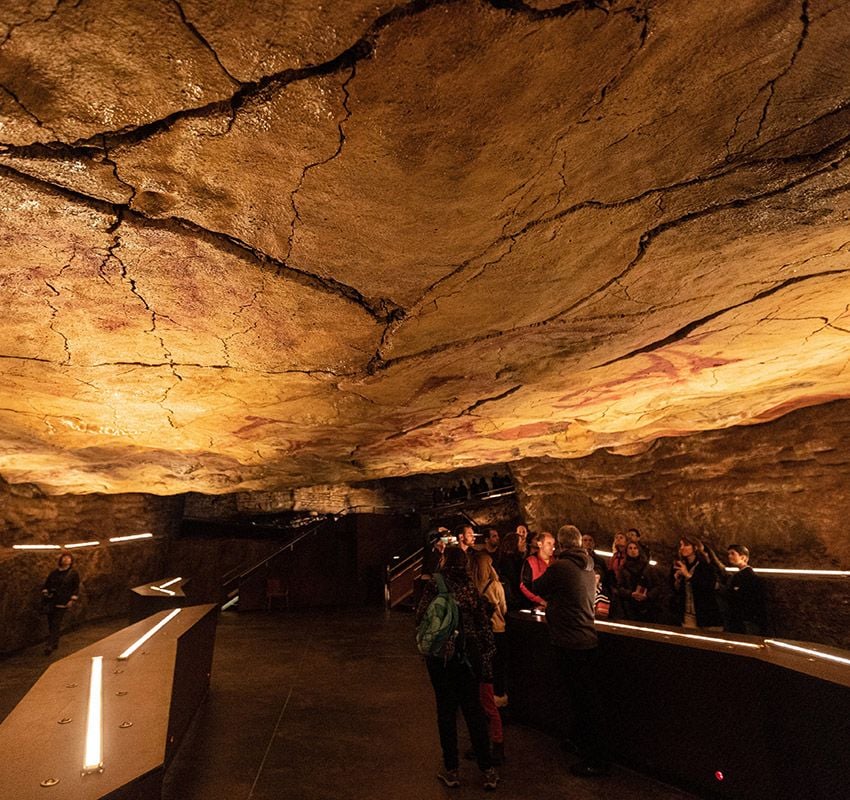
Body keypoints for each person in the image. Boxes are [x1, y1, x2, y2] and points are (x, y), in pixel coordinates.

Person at [416, 547, 499, 790]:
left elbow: (421, 616)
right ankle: (488, 770)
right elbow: (484, 624)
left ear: (444, 561)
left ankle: (451, 770)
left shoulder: (434, 584)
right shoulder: (470, 587)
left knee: (446, 711)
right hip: (467, 656)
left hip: (441, 657)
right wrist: (487, 654)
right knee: (473, 710)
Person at [532, 524, 608, 777]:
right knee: (585, 698)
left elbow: (537, 586)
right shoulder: (587, 565)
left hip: (569, 641)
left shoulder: (561, 567)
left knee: (585, 701)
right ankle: (580, 742)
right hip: (587, 638)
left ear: (561, 546)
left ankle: (596, 758)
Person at [471, 550, 508, 763]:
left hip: (481, 643)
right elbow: (503, 607)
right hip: (498, 633)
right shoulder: (497, 586)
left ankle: (490, 744)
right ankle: (494, 743)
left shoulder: (472, 589)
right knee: (491, 689)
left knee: (482, 695)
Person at [670, 536, 723, 629]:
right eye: (681, 545)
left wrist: (688, 575)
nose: (682, 548)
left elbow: (708, 587)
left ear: (695, 547)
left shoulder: (705, 567)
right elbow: (678, 590)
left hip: (706, 615)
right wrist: (677, 581)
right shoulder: (682, 565)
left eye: (686, 545)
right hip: (688, 614)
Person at [723, 544, 768, 635]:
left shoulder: (748, 577)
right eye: (728, 554)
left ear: (743, 557)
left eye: (733, 553)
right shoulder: (742, 575)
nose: (729, 556)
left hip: (744, 621)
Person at [42, 552, 80, 655]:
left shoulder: (73, 574)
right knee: (51, 622)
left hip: (63, 600)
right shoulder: (54, 573)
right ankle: (54, 642)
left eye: (69, 558)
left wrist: (72, 599)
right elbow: (47, 584)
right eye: (64, 558)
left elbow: (75, 587)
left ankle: (50, 644)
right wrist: (46, 592)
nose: (66, 560)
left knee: (56, 622)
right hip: (52, 600)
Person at [614, 541, 660, 622]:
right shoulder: (623, 568)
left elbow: (657, 585)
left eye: (635, 548)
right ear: (626, 551)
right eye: (630, 548)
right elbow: (619, 586)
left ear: (639, 550)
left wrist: (648, 596)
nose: (633, 550)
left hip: (647, 606)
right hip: (629, 606)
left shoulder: (648, 567)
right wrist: (630, 594)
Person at [520, 531, 555, 609]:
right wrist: (540, 601)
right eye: (549, 543)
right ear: (540, 544)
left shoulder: (556, 562)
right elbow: (524, 586)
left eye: (553, 544)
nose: (552, 547)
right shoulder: (531, 561)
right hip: (535, 605)